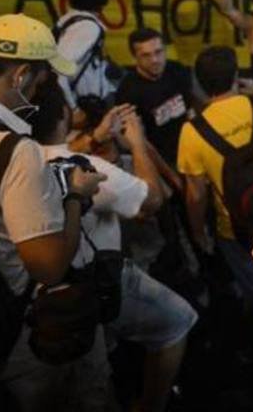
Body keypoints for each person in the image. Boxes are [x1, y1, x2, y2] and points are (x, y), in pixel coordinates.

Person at [29, 77, 197, 412]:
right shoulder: (89, 168)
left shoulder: (13, 160)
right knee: (177, 320)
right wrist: (137, 143)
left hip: (36, 304)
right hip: (92, 283)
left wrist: (94, 138)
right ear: (64, 115)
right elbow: (152, 200)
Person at [0, 14, 110, 410]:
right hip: (18, 333)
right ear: (21, 75)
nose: (45, 86)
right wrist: (75, 197)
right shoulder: (13, 151)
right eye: (43, 77)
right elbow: (46, 266)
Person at [176, 46, 253, 309]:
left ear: (200, 84)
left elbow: (195, 196)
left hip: (238, 230)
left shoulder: (192, 132)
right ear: (235, 77)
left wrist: (199, 234)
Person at [116, 28, 200, 170]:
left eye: (158, 52)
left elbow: (192, 109)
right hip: (159, 160)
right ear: (134, 56)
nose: (155, 60)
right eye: (146, 55)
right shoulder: (128, 91)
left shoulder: (177, 70)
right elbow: (131, 140)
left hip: (189, 147)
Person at [54, 0, 121, 109]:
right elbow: (57, 70)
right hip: (83, 108)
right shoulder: (87, 28)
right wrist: (73, 110)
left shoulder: (67, 22)